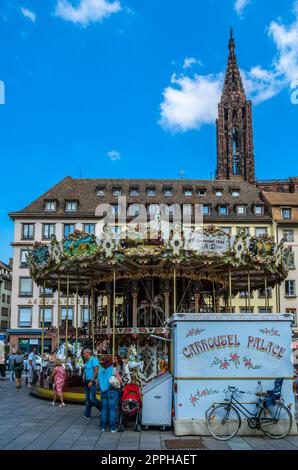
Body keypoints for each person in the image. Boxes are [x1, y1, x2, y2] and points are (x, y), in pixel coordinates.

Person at [98, 357, 122, 432]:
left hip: (103, 391)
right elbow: (120, 381)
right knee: (112, 409)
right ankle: (112, 428)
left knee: (104, 409)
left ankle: (103, 427)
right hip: (112, 390)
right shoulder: (113, 369)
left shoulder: (100, 370)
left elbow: (98, 381)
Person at [81, 348, 101, 420]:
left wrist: (92, 381)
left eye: (84, 353)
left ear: (87, 353)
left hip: (91, 381)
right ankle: (87, 414)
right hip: (87, 380)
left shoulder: (93, 360)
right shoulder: (87, 361)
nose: (83, 355)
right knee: (87, 399)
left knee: (92, 398)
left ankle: (102, 407)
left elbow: (96, 371)